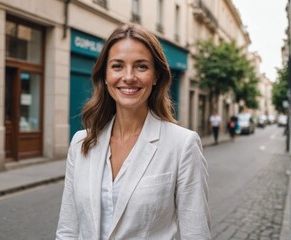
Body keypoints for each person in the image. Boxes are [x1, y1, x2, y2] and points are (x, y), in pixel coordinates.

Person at [56, 24, 211, 239]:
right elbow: (68, 230)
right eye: (117, 66)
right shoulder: (81, 143)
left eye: (141, 67)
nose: (128, 77)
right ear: (105, 75)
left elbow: (196, 234)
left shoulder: (182, 144)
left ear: (156, 76)